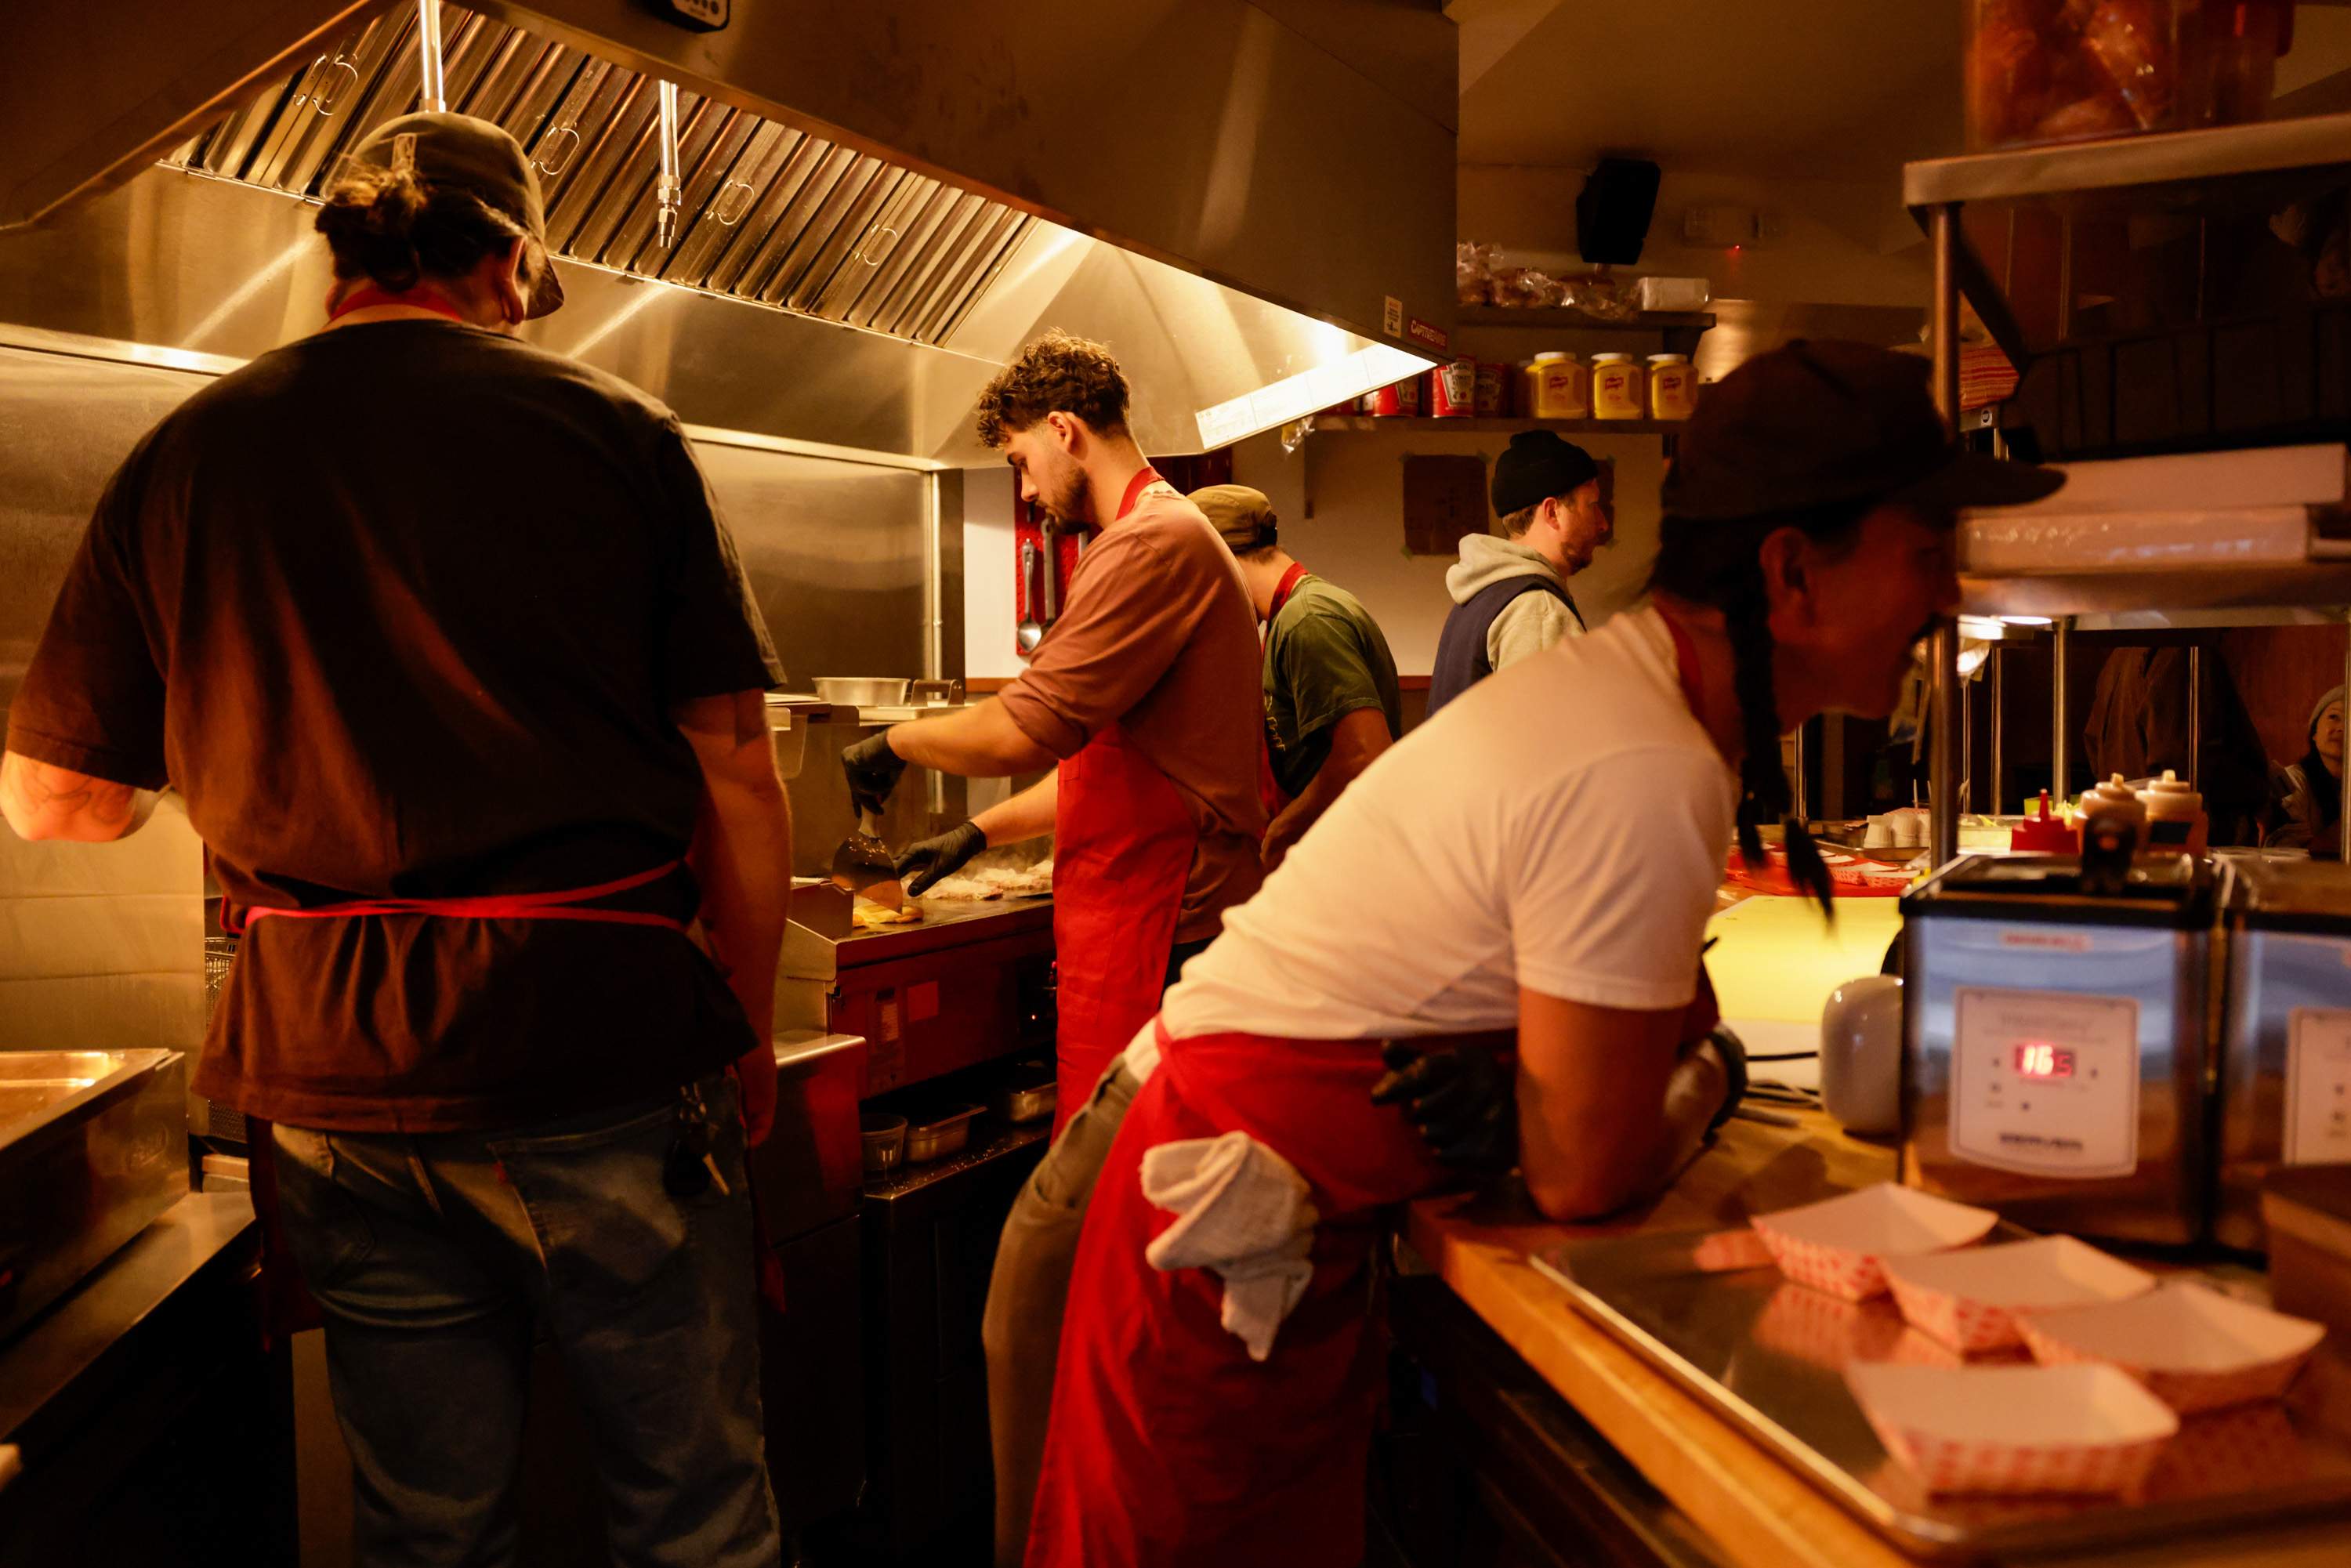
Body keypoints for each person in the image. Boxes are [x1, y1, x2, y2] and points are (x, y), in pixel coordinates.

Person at [1020, 341, 2065, 1568]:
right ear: (1793, 573)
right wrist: (1711, 1076)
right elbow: (1585, 1168)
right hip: (1216, 1259)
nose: (1949, 599)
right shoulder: (1647, 754)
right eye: (1927, 555)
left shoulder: (1641, 706)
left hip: (1253, 1230)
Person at [1, 114, 792, 1568]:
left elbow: (57, 801)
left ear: (341, 265)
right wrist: (736, 1024)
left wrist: (269, 741)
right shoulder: (618, 435)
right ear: (507, 262)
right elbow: (736, 769)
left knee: (428, 1532)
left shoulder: (187, 455)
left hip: (334, 1078)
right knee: (695, 1516)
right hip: (601, 1050)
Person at [836, 331, 1266, 1566]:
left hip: (1162, 941)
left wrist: (898, 746)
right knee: (1128, 1268)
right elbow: (1108, 769)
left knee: (1135, 1275)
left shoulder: (1149, 543)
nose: (1026, 489)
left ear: (1065, 428)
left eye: (1024, 461)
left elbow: (1031, 726)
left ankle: (1135, 1523)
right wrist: (966, 839)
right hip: (1140, 917)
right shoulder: (1166, 540)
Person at [1191, 483, 1404, 871]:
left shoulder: (1307, 619)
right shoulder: (1285, 618)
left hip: (1355, 867)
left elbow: (1365, 752)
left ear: (1219, 561)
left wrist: (1287, 828)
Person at [1425, 429, 1614, 714]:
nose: (1602, 524)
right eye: (1592, 506)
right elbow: (1545, 747)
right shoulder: (1536, 610)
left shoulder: (1480, 595)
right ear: (1552, 512)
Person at [2268, 684, 2344, 855]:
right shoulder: (2293, 782)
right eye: (2334, 717)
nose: (2342, 728)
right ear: (2314, 733)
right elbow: (2286, 854)